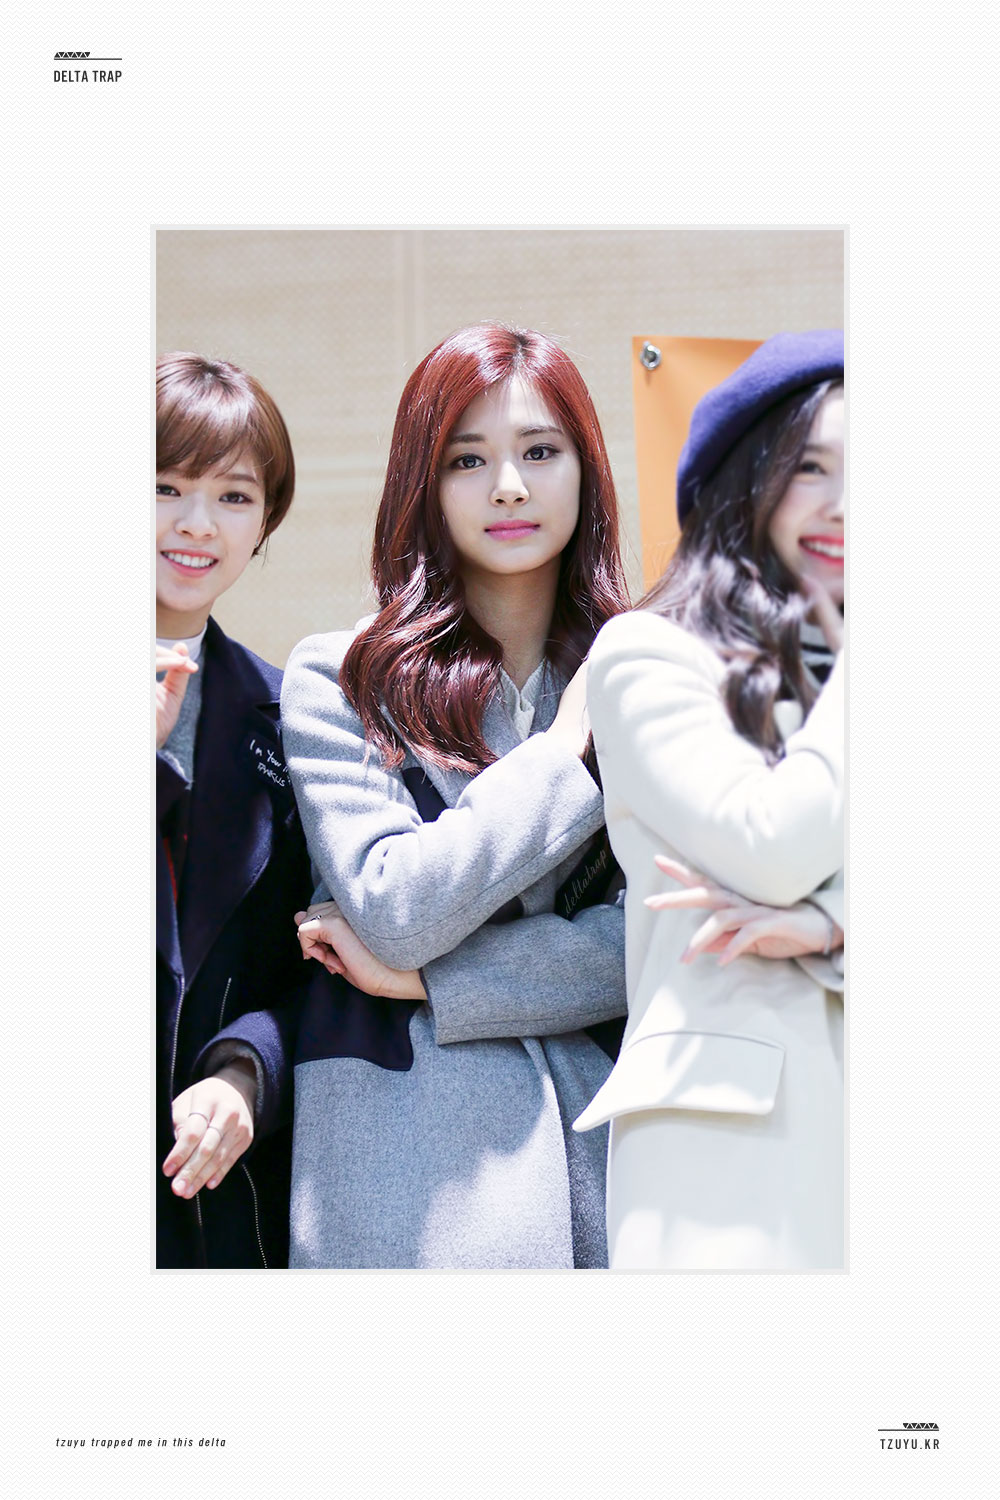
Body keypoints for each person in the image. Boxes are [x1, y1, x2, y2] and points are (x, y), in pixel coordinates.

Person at [279, 322, 630, 1268]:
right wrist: (564, 752)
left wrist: (439, 982)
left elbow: (661, 943)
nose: (508, 486)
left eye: (540, 452)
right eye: (467, 459)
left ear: (587, 472)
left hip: (614, 1159)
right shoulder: (343, 678)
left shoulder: (646, 677)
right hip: (417, 1178)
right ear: (422, 485)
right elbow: (395, 907)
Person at [574, 330, 845, 1270]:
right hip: (728, 1160)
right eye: (812, 467)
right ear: (747, 476)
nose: (847, 503)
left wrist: (833, 925)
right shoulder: (651, 654)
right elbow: (768, 845)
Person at [155, 352, 311, 1268]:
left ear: (264, 524)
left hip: (218, 1214)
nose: (196, 524)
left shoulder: (290, 720)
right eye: (164, 487)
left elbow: (313, 963)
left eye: (234, 496)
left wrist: (249, 1073)